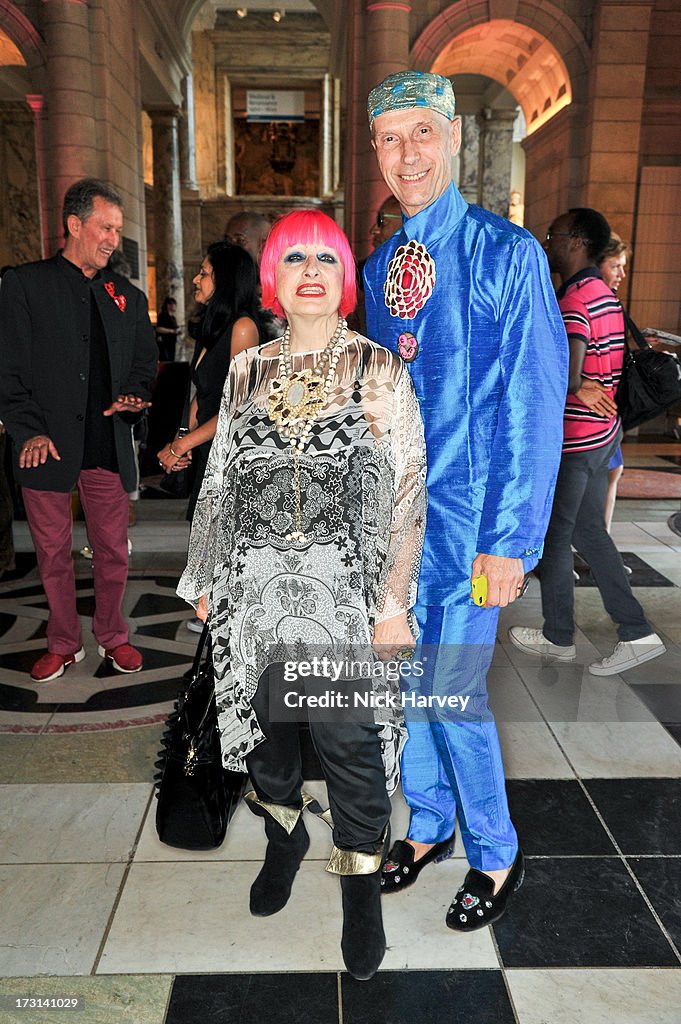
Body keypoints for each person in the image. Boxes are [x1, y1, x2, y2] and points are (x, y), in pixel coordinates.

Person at [177, 209, 427, 980]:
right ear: (275, 281)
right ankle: (283, 836)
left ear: (343, 278)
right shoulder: (248, 370)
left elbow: (406, 490)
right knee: (269, 740)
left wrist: (392, 605)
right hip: (253, 596)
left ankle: (359, 891)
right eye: (294, 259)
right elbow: (219, 479)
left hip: (342, 601)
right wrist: (205, 577)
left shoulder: (378, 368)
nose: (311, 269)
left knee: (351, 750)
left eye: (326, 256)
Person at [364, 70, 567, 931]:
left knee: (454, 693)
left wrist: (511, 540)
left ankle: (494, 847)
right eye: (387, 138)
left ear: (454, 138)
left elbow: (532, 397)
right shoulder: (381, 266)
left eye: (420, 133)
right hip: (401, 532)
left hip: (475, 526)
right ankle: (431, 823)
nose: (405, 154)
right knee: (411, 691)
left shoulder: (504, 253)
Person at [0, 178, 157, 681]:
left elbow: (143, 363)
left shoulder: (126, 297)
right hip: (43, 447)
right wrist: (27, 430)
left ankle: (112, 637)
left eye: (117, 228)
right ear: (74, 224)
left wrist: (134, 396)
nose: (114, 237)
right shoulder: (25, 285)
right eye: (105, 227)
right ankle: (65, 642)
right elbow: (8, 368)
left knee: (112, 551)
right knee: (52, 555)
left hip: (105, 444)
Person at [509, 208, 665, 676]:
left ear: (576, 241)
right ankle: (632, 632)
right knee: (589, 532)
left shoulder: (576, 299)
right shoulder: (604, 293)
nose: (548, 240)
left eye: (554, 234)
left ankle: (568, 636)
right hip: (603, 436)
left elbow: (567, 373)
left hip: (576, 440)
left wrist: (571, 384)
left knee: (558, 540)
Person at [157, 242, 266, 632]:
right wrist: (182, 438)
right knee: (204, 532)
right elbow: (200, 396)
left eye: (204, 272)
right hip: (207, 446)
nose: (196, 279)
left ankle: (228, 616)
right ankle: (213, 609)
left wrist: (181, 444)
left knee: (224, 532)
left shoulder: (243, 327)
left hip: (232, 451)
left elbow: (241, 407)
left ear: (226, 280)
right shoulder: (213, 327)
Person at [598, 233, 631, 538]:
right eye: (615, 266)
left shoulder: (610, 303)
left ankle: (600, 539)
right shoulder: (587, 300)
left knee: (613, 472)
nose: (621, 274)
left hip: (608, 409)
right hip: (589, 413)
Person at [155, 296, 181, 362]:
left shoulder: (173, 317)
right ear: (168, 305)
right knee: (166, 361)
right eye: (174, 304)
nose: (175, 306)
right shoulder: (162, 316)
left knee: (172, 360)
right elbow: (158, 329)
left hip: (172, 343)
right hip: (164, 343)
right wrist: (172, 331)